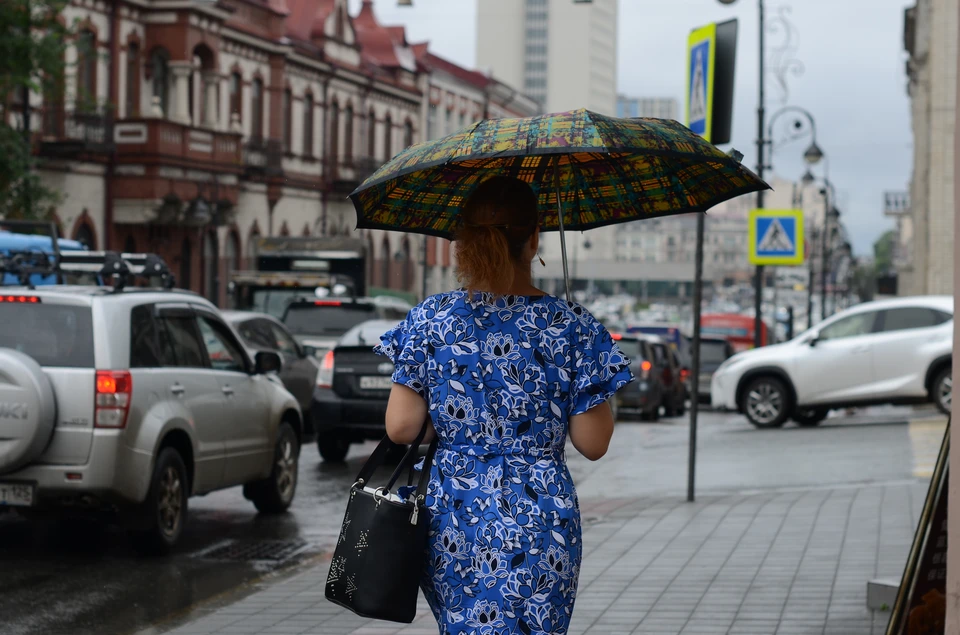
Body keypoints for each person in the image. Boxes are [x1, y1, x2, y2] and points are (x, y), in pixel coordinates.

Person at [375, 175, 634, 634]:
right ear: (534, 239)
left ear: (463, 242)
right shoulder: (571, 325)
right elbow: (593, 444)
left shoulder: (431, 319)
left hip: (455, 513)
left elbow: (401, 428)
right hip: (540, 516)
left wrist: (456, 419)